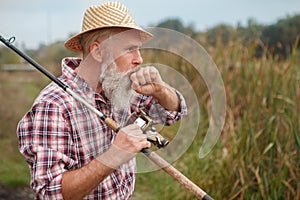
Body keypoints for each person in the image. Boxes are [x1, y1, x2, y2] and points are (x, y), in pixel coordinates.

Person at [17, 1, 187, 199]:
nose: (139, 59)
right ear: (98, 52)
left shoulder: (119, 85)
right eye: (129, 49)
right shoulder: (53, 105)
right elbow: (50, 193)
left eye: (138, 49)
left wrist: (161, 90)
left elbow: (172, 113)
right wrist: (114, 155)